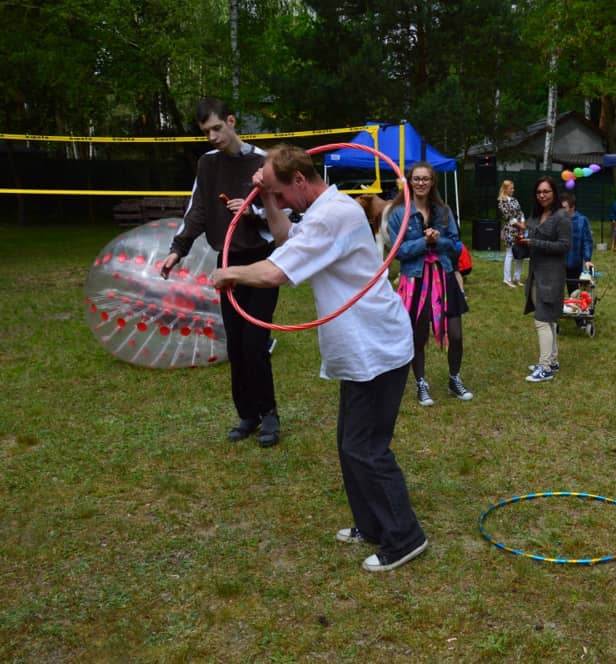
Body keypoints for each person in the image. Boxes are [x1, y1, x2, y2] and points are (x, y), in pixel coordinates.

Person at [210, 144, 427, 571]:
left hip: (377, 344)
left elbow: (276, 271)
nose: (282, 202)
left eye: (281, 192)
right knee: (350, 443)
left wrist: (229, 272)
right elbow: (287, 239)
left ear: (299, 181)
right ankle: (371, 523)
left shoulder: (333, 215)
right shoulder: (321, 210)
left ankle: (404, 538)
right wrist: (269, 197)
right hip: (360, 343)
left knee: (367, 447)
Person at [160, 97, 281, 447]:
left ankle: (270, 414)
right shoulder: (208, 165)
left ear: (231, 120)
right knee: (237, 344)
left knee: (256, 342)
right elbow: (197, 210)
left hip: (261, 261)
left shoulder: (262, 162)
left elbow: (284, 216)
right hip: (226, 265)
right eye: (206, 132)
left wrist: (251, 213)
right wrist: (176, 250)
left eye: (217, 128)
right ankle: (248, 414)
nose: (213, 136)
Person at [386, 162, 473, 406]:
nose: (421, 183)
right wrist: (425, 242)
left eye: (426, 179)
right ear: (410, 182)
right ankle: (421, 383)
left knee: (455, 334)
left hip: (444, 276)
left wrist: (439, 240)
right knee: (418, 334)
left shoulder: (443, 212)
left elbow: (456, 246)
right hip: (416, 279)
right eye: (417, 179)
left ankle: (454, 378)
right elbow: (398, 251)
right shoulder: (399, 214)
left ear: (432, 182)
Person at [521, 176, 571, 382]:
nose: (542, 195)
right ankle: (552, 360)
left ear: (554, 193)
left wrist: (535, 242)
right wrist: (521, 236)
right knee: (547, 318)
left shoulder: (561, 217)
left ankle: (545, 368)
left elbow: (564, 246)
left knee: (542, 320)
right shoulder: (536, 215)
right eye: (539, 192)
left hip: (552, 275)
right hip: (535, 272)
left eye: (546, 191)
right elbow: (530, 240)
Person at [560, 191, 594, 294]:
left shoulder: (582, 220)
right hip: (557, 263)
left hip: (574, 264)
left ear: (572, 207)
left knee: (574, 294)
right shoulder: (557, 219)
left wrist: (587, 259)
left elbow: (587, 241)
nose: (561, 210)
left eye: (564, 208)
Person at [497, 180, 527, 288]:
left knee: (521, 253)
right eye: (511, 188)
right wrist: (520, 225)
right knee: (510, 253)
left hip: (520, 230)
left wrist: (523, 223)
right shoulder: (502, 202)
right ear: (505, 189)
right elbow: (508, 217)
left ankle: (517, 278)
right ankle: (507, 279)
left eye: (513, 188)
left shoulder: (515, 200)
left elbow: (521, 212)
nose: (513, 190)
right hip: (510, 230)